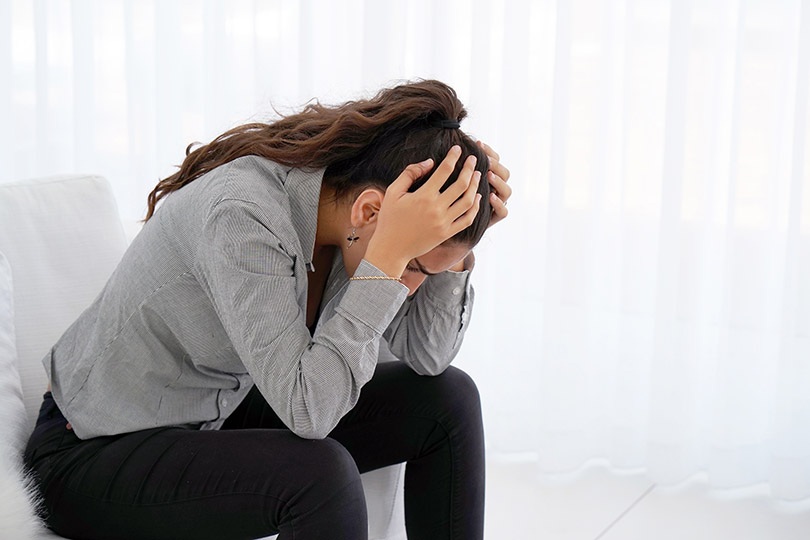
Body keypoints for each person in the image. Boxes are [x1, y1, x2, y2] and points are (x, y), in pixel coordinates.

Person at [22, 79, 512, 540]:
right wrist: (386, 263)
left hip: (214, 412)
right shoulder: (243, 213)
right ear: (370, 211)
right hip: (92, 452)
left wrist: (459, 240)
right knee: (321, 477)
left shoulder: (353, 221)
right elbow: (309, 413)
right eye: (415, 265)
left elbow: (429, 358)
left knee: (449, 400)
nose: (407, 289)